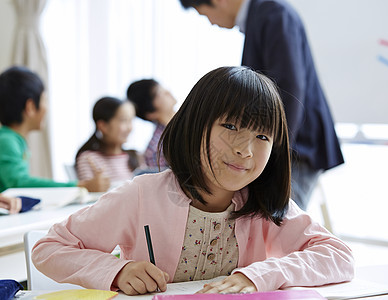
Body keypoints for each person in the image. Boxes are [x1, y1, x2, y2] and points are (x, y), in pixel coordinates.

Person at [32, 67, 354, 295]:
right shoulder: (142, 195)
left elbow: (338, 256)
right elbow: (49, 249)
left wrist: (261, 275)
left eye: (262, 135)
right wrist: (117, 271)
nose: (245, 149)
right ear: (195, 125)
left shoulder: (265, 206)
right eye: (230, 127)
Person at [179, 0, 344, 210]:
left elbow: (288, 88)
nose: (211, 22)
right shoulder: (263, 14)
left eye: (203, 14)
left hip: (295, 145)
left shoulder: (273, 13)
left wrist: (275, 154)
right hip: (283, 142)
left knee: (277, 220)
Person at [0, 66, 109, 193]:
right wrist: (79, 186)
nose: (47, 108)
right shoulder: (7, 141)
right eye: (44, 100)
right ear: (30, 107)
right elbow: (19, 183)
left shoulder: (13, 139)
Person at [75, 97, 142, 187]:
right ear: (103, 126)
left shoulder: (136, 156)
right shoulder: (89, 158)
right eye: (123, 120)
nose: (130, 128)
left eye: (131, 121)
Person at [126, 79, 176, 171]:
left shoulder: (195, 123)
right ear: (151, 113)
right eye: (158, 93)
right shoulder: (156, 149)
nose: (167, 92)